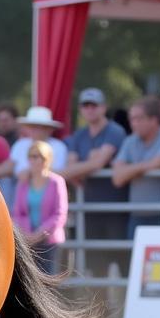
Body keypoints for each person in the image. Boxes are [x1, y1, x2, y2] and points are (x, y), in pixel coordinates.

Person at [61, 87, 128, 275]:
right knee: (96, 264)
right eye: (85, 105)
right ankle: (102, 305)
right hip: (90, 207)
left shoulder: (115, 131)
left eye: (94, 105)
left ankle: (124, 303)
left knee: (123, 260)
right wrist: (88, 164)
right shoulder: (79, 135)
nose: (89, 109)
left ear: (103, 108)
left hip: (116, 207)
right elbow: (74, 166)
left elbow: (98, 162)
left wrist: (86, 165)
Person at [112, 96, 160, 236]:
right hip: (137, 215)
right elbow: (117, 178)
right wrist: (145, 168)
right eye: (131, 119)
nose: (133, 123)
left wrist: (130, 170)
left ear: (154, 120)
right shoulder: (130, 141)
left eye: (139, 118)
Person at [11, 140, 68, 275]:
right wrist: (28, 235)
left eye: (39, 156)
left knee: (50, 280)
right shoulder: (23, 183)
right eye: (32, 156)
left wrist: (40, 233)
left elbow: (60, 214)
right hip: (28, 241)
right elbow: (18, 213)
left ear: (47, 159)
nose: (35, 160)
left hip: (50, 241)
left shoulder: (57, 182)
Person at [2, 107, 68, 180]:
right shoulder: (20, 144)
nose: (35, 130)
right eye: (32, 126)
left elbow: (58, 173)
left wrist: (29, 173)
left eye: (40, 127)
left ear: (49, 129)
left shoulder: (58, 146)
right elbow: (10, 166)